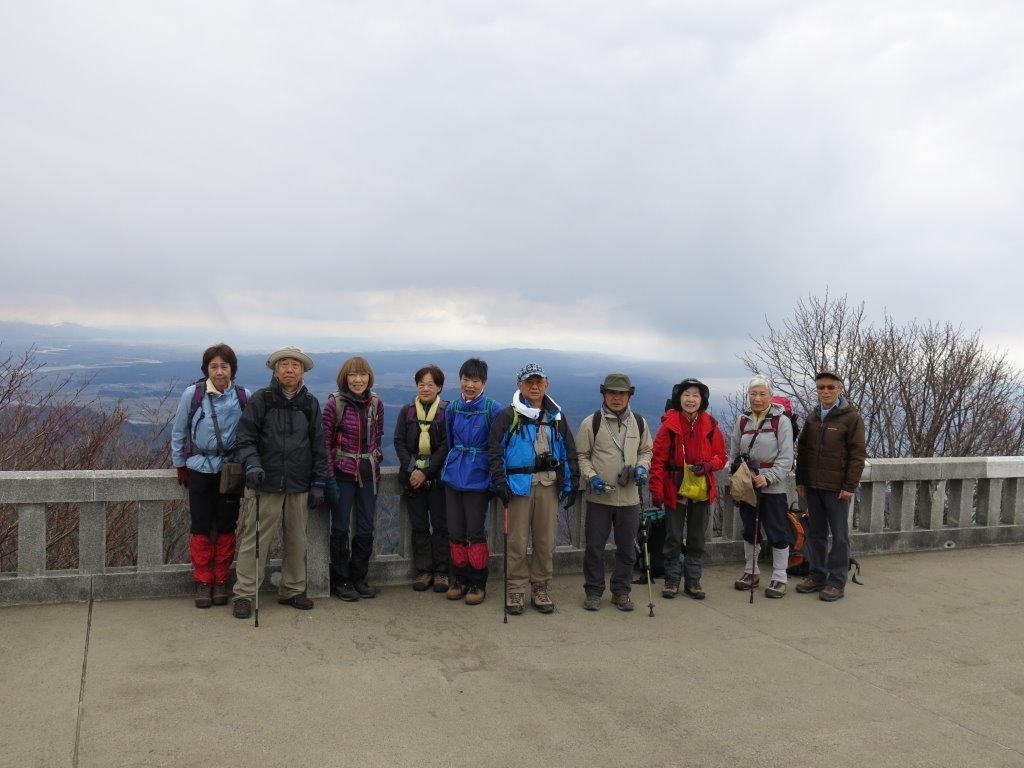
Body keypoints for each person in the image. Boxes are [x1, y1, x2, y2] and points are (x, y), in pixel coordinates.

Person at [231, 346, 327, 619]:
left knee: (297, 540)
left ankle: (292, 590)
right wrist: (252, 464)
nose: (289, 369)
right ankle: (245, 594)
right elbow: (245, 437)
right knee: (255, 539)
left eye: (295, 366)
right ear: (275, 370)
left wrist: (318, 482)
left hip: (299, 484)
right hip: (265, 482)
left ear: (302, 372)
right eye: (284, 364)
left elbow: (319, 446)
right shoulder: (262, 399)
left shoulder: (310, 403)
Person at [489, 364, 580, 615]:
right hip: (518, 487)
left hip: (548, 485)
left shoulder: (556, 417)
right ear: (519, 385)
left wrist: (572, 484)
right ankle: (515, 589)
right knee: (517, 541)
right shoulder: (509, 416)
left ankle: (541, 586)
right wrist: (500, 482)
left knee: (544, 541)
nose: (534, 386)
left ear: (546, 384)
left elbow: (568, 452)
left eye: (539, 382)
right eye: (529, 382)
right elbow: (495, 450)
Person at [170, 343, 251, 608]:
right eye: (214, 366)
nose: (219, 372)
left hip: (231, 469)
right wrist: (180, 463)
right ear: (206, 369)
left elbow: (251, 434)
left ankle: (221, 579)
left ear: (232, 370)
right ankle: (203, 581)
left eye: (224, 367)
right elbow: (179, 431)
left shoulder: (243, 396)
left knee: (227, 526)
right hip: (199, 468)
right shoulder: (192, 395)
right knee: (201, 526)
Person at [575, 373, 652, 612]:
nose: (617, 398)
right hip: (599, 496)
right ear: (604, 395)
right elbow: (582, 455)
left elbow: (647, 450)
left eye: (621, 394)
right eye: (612, 393)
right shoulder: (592, 422)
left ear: (629, 395)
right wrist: (591, 477)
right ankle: (594, 591)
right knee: (595, 548)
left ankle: (621, 591)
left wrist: (642, 467)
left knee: (627, 548)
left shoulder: (639, 422)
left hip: (629, 497)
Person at [649, 378, 727, 600]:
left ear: (702, 400)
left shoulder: (711, 425)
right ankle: (672, 580)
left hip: (701, 488)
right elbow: (658, 460)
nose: (691, 399)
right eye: (686, 395)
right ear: (678, 399)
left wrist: (709, 465)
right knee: (673, 537)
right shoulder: (669, 425)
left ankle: (693, 581)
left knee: (697, 537)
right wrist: (656, 490)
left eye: (695, 395)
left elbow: (721, 456)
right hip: (675, 487)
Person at [795, 371, 866, 602]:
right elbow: (803, 451)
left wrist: (849, 485)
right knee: (816, 534)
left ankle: (836, 581)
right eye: (820, 388)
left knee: (839, 535)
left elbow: (857, 455)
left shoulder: (851, 418)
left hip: (837, 489)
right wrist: (800, 480)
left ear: (839, 390)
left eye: (829, 387)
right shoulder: (813, 417)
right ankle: (817, 575)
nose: (824, 391)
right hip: (813, 486)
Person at [439, 358, 502, 605]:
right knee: (454, 531)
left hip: (478, 478)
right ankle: (459, 579)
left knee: (475, 532)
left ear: (484, 382)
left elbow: (497, 446)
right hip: (454, 476)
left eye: (475, 380)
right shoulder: (453, 408)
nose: (470, 385)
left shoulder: (492, 409)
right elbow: (450, 441)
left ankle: (478, 582)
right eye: (466, 379)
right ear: (460, 380)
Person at [323, 356, 385, 602]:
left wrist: (375, 458)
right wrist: (329, 477)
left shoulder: (376, 403)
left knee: (366, 527)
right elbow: (325, 444)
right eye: (352, 375)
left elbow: (377, 437)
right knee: (339, 527)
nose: (358, 380)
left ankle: (359, 577)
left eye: (362, 375)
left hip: (369, 474)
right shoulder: (334, 404)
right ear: (344, 378)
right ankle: (342, 580)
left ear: (369, 377)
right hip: (342, 473)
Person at [731, 376, 795, 598]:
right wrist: (741, 475)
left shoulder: (781, 421)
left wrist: (768, 477)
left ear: (770, 395)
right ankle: (751, 571)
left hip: (773, 487)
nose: (757, 399)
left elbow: (787, 459)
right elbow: (734, 454)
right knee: (750, 531)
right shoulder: (743, 421)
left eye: (762, 394)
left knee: (777, 531)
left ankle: (779, 577)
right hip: (748, 485)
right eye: (753, 394)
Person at [394, 365, 451, 593]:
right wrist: (412, 470)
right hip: (412, 479)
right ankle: (424, 571)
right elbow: (399, 441)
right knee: (419, 527)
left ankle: (442, 572)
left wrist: (425, 472)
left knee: (440, 526)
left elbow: (447, 445)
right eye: (421, 384)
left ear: (439, 387)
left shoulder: (446, 412)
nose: (425, 388)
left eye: (430, 384)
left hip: (437, 479)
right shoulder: (406, 411)